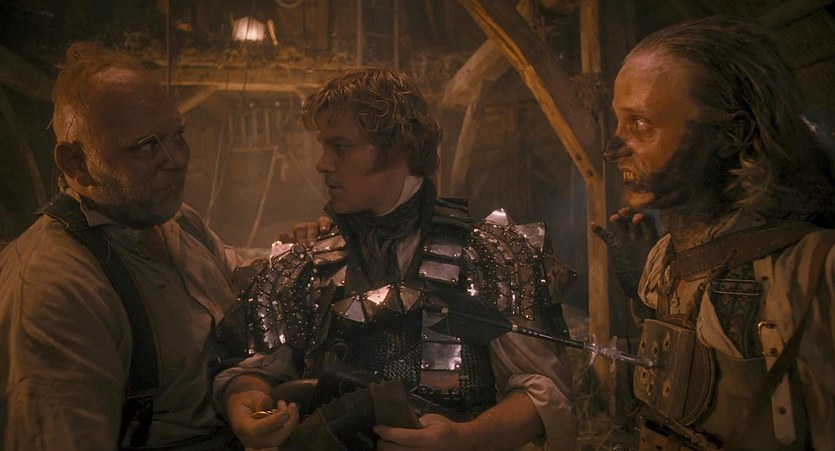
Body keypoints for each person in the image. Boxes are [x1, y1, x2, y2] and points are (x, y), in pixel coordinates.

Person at [216, 67, 578, 450]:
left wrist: (466, 437)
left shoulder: (490, 256)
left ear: (398, 147)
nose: (322, 163)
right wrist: (246, 401)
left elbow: (545, 394)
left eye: (340, 147)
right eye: (324, 147)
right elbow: (255, 371)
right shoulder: (305, 266)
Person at [0, 42, 295, 450]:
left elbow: (239, 289)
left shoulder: (178, 223)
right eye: (146, 146)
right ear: (75, 163)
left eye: (178, 136)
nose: (177, 159)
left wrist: (304, 253)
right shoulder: (55, 290)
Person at [594, 16, 835, 450]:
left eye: (640, 124)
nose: (612, 150)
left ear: (732, 134)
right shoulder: (662, 259)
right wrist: (644, 296)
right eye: (619, 123)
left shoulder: (813, 271)